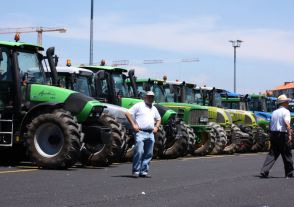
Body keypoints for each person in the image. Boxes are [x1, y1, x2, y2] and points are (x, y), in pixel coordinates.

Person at [125, 91, 161, 178]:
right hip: (140, 132)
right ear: (145, 97)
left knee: (149, 153)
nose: (150, 98)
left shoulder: (154, 108)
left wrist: (156, 127)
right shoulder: (139, 105)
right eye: (149, 96)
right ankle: (136, 171)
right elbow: (127, 113)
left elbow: (159, 119)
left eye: (152, 97)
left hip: (150, 133)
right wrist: (133, 125)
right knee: (139, 151)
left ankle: (144, 171)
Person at [260, 94, 294, 178]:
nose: (288, 102)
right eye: (287, 101)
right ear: (284, 102)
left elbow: (271, 124)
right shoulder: (286, 111)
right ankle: (289, 173)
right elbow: (287, 123)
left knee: (273, 153)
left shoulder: (274, 112)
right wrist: (289, 134)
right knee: (287, 154)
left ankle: (265, 170)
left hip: (274, 134)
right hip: (282, 134)